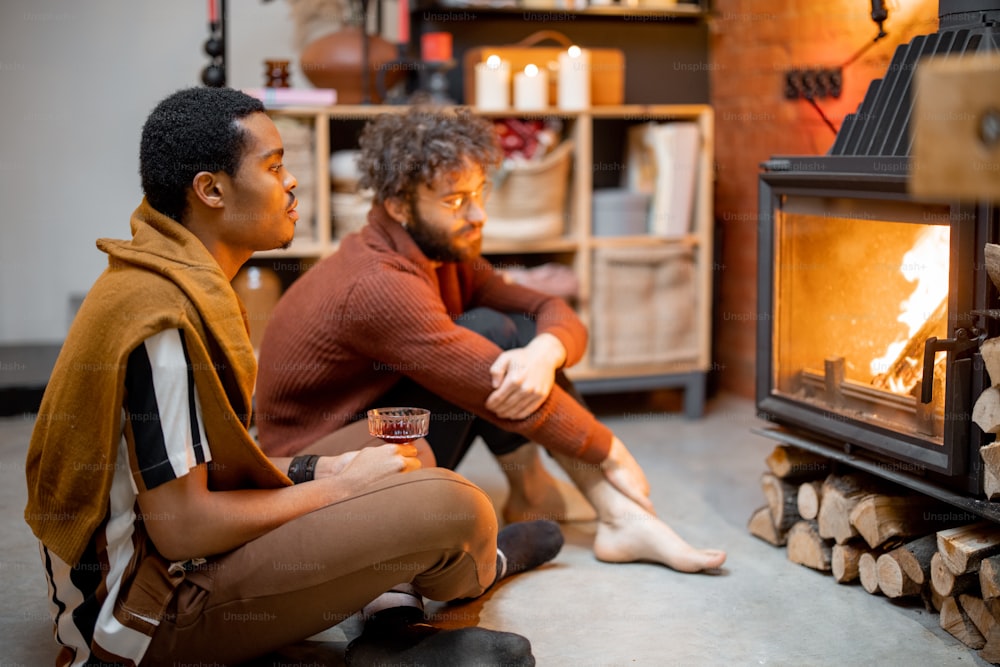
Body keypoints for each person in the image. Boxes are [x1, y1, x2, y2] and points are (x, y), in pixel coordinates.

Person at [22, 87, 560, 667]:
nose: (292, 182)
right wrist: (341, 488)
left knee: (405, 453)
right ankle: (475, 568)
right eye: (274, 166)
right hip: (151, 616)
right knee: (455, 507)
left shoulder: (165, 276)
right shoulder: (163, 321)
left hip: (173, 562)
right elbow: (182, 528)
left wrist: (325, 467)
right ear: (211, 190)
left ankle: (391, 626)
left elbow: (209, 477)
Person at [254, 107, 727, 574]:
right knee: (489, 337)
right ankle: (613, 514)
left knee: (515, 334)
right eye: (455, 201)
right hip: (315, 471)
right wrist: (609, 451)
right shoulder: (379, 281)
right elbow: (484, 377)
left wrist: (546, 351)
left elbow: (548, 311)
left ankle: (553, 499)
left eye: (479, 193)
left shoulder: (441, 253)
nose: (477, 214)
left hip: (374, 431)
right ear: (399, 205)